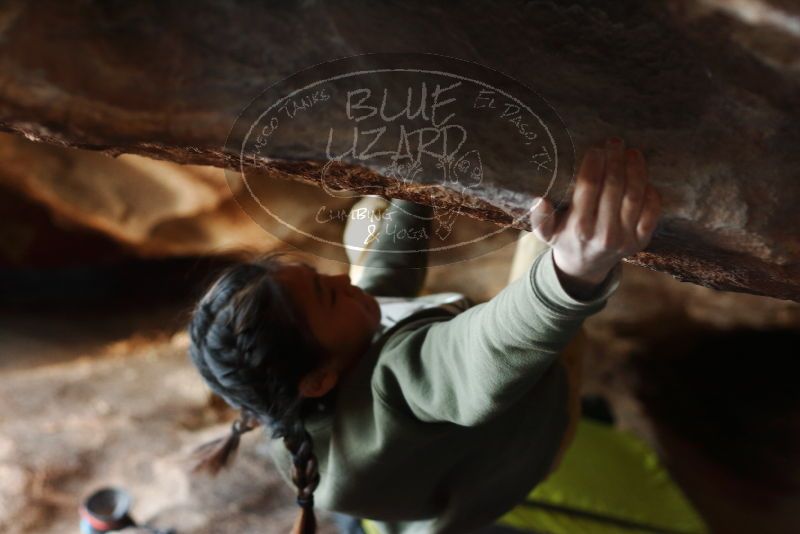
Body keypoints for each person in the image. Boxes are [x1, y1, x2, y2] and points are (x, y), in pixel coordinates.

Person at [187, 136, 661, 534]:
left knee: (370, 220)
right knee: (555, 229)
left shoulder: (293, 412)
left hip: (424, 467)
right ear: (319, 379)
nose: (338, 281)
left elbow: (380, 288)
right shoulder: (401, 381)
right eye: (325, 296)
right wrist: (570, 273)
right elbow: (479, 354)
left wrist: (417, 187)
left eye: (318, 276)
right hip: (533, 420)